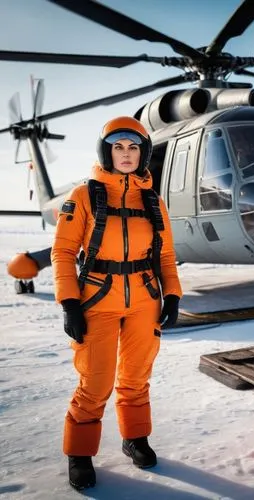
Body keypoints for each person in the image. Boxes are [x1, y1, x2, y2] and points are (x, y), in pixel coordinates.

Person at [51, 116, 182, 491]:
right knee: (95, 381)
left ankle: (135, 438)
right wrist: (70, 303)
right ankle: (80, 454)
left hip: (144, 298)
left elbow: (167, 256)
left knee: (137, 376)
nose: (126, 154)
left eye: (134, 147)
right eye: (118, 146)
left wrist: (172, 292)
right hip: (97, 298)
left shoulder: (153, 200)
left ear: (143, 154)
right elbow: (62, 252)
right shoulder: (83, 196)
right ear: (106, 151)